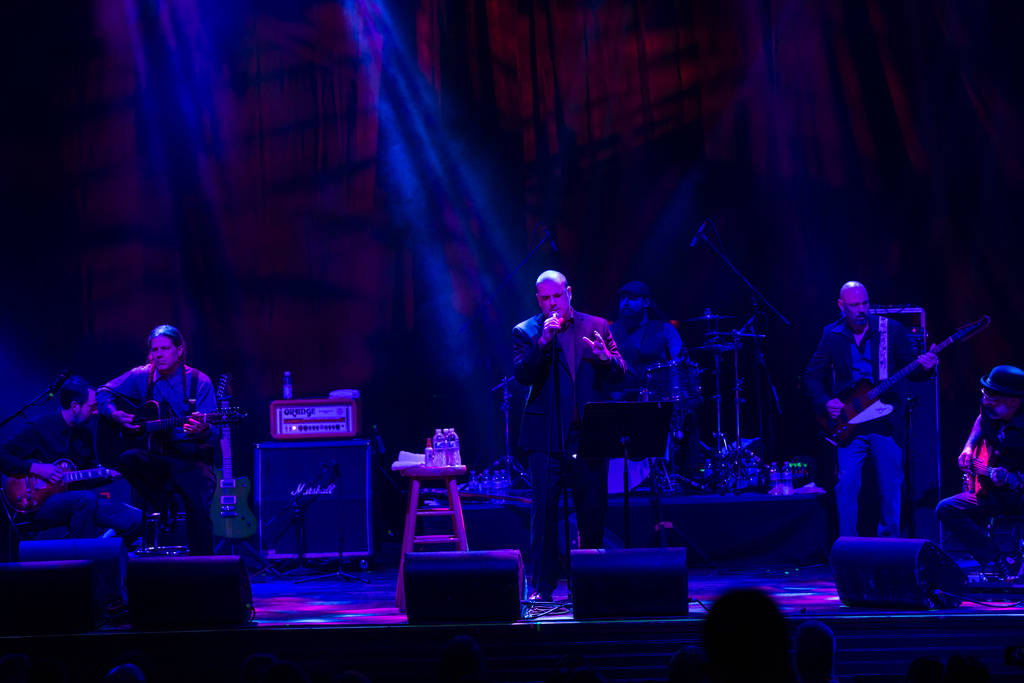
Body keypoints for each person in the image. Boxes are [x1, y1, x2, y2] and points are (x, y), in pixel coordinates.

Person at [513, 270, 626, 602]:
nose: (551, 304)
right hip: (544, 438)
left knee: (592, 511)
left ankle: (588, 585)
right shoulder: (528, 331)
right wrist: (543, 343)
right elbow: (522, 374)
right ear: (538, 299)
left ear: (569, 293)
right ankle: (542, 587)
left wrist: (607, 360)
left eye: (556, 297)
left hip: (588, 436)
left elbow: (621, 372)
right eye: (544, 298)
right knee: (544, 512)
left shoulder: (597, 326)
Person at [803, 281, 937, 538]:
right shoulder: (831, 335)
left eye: (865, 303)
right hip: (850, 422)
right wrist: (825, 402)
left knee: (890, 488)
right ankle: (848, 551)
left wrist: (927, 365)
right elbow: (811, 376)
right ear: (842, 306)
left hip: (884, 421)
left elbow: (914, 370)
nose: (862, 309)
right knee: (847, 485)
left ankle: (888, 554)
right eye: (855, 305)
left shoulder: (891, 330)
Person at [97, 324, 219, 555]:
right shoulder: (141, 376)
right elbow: (102, 392)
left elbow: (214, 430)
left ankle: (203, 566)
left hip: (191, 458)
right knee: (127, 459)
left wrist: (202, 429)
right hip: (157, 456)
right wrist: (115, 414)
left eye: (164, 348)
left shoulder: (199, 382)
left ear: (179, 350)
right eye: (155, 350)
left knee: (198, 506)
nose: (159, 354)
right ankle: (165, 503)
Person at [0, 376, 141, 540]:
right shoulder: (39, 427)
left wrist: (110, 474)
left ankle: (104, 551)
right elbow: (2, 456)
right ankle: (83, 561)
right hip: (38, 504)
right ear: (75, 406)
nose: (96, 412)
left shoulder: (84, 434)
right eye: (92, 407)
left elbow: (85, 477)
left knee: (136, 520)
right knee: (85, 499)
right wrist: (37, 468)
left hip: (76, 501)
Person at [935, 365, 1024, 580]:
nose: (985, 401)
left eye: (992, 396)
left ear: (1012, 400)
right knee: (946, 508)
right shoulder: (992, 410)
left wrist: (1017, 479)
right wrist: (968, 446)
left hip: (1019, 494)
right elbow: (981, 421)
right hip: (994, 493)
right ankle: (995, 558)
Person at [609, 281, 687, 401]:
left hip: (658, 400)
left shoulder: (665, 329)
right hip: (619, 402)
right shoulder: (610, 331)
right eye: (623, 298)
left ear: (646, 302)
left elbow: (680, 365)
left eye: (632, 298)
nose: (626, 302)